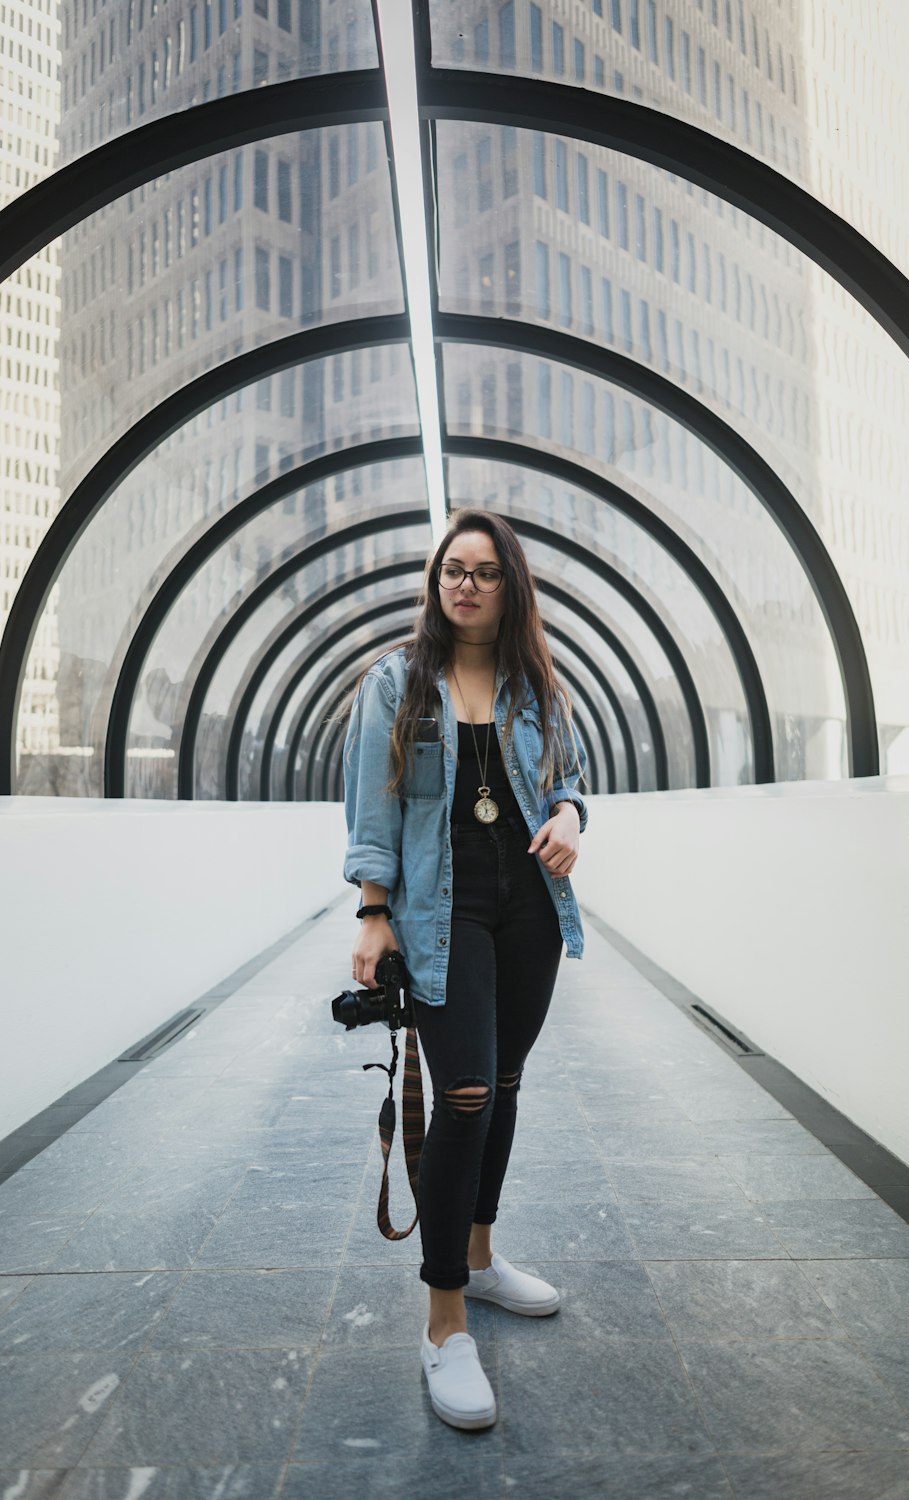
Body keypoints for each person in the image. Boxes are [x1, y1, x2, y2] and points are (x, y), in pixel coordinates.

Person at [342, 508, 588, 1431]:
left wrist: (570, 818)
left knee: (509, 1081)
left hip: (531, 905)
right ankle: (444, 1320)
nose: (467, 584)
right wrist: (373, 913)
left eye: (485, 571)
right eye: (454, 568)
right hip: (444, 913)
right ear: (435, 580)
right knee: (468, 1094)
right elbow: (373, 805)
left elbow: (567, 780)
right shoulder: (396, 683)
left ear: (508, 586)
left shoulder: (536, 685)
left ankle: (481, 1261)